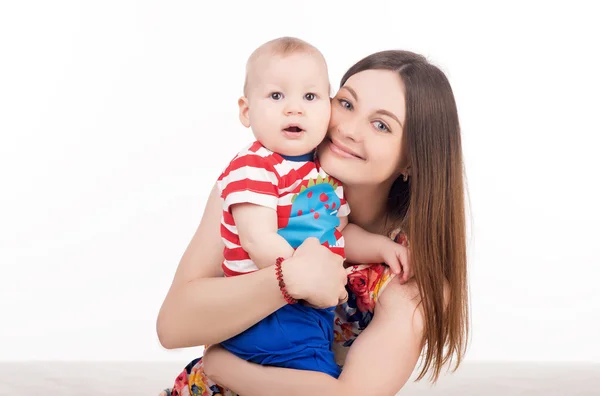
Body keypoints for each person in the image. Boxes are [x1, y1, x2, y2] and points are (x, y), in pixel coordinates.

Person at [157, 48, 469, 396]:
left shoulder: (410, 285)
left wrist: (224, 367)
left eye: (381, 125)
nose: (349, 129)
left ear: (412, 159)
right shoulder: (254, 189)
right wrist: (288, 279)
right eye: (347, 104)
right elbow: (172, 327)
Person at [215, 37, 409, 379]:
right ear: (246, 111)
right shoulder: (255, 166)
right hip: (268, 311)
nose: (295, 109)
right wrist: (304, 280)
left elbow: (341, 233)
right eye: (277, 96)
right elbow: (258, 240)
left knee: (315, 368)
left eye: (310, 96)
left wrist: (383, 247)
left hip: (305, 311)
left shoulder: (321, 175)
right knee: (314, 372)